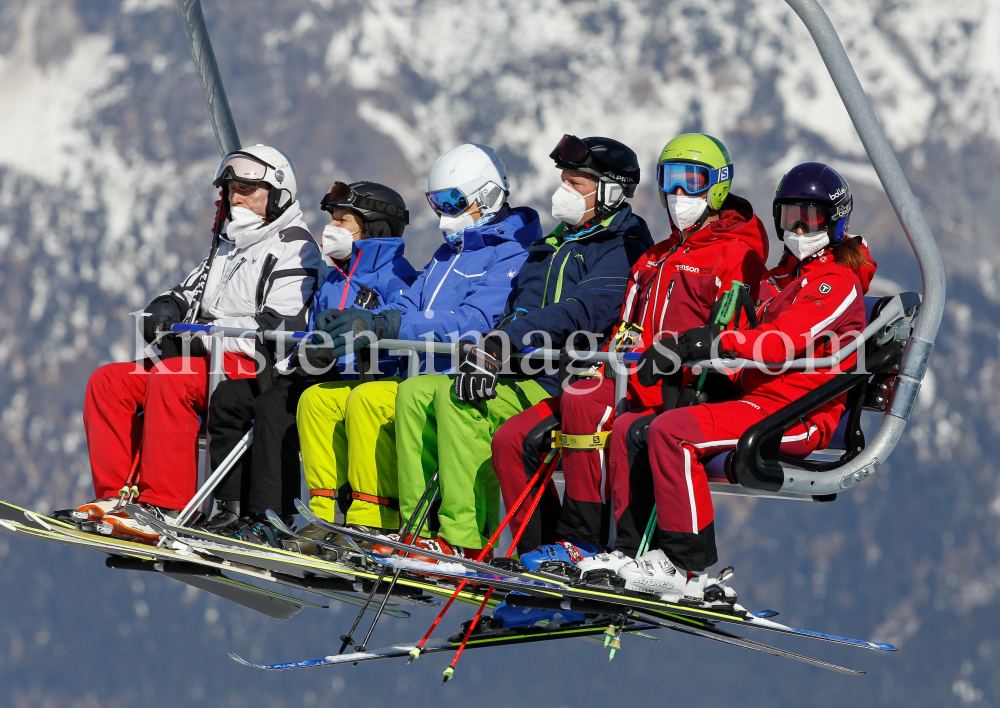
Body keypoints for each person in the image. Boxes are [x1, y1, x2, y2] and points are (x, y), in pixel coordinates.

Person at [584, 162, 877, 604]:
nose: (798, 228)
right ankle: (630, 553)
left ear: (836, 222)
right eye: (788, 217)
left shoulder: (835, 283)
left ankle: (685, 566)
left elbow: (778, 344)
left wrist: (706, 342)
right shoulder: (784, 279)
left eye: (810, 218)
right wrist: (680, 353)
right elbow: (739, 320)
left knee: (673, 432)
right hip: (754, 402)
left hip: (795, 415)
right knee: (633, 427)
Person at [491, 133, 769, 567]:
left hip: (677, 387)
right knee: (511, 437)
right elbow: (627, 326)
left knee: (585, 404)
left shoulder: (735, 255)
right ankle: (536, 555)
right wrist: (602, 359)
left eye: (692, 180)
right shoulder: (656, 257)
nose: (679, 194)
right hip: (630, 376)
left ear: (716, 185)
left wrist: (682, 362)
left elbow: (730, 335)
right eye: (670, 180)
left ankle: (582, 542)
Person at [382, 135, 653, 560]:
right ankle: (419, 529)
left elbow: (584, 312)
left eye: (577, 184)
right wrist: (493, 346)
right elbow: (518, 308)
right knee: (415, 394)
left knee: (460, 403)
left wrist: (502, 343)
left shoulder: (621, 247)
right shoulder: (555, 243)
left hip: (564, 377)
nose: (563, 191)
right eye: (563, 180)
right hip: (522, 369)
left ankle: (466, 540)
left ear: (611, 192)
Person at [67, 145, 322, 544]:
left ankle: (166, 504)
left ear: (277, 193)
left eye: (247, 189)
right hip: (205, 357)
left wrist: (205, 334)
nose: (235, 198)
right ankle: (117, 498)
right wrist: (164, 309)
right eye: (230, 189)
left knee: (171, 377)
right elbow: (189, 291)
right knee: (108, 382)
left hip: (251, 363)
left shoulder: (295, 246)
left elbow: (283, 322)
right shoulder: (229, 243)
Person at [295, 144, 540, 544]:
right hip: (419, 375)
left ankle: (404, 524)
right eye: (436, 201)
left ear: (488, 196)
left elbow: (473, 322)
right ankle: (331, 517)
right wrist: (368, 320)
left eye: (453, 200)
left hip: (461, 375)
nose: (444, 212)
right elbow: (408, 304)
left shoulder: (511, 257)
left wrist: (389, 324)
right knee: (318, 400)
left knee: (371, 400)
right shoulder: (447, 255)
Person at [201, 182, 418, 546]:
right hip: (318, 372)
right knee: (230, 396)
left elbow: (401, 337)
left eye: (343, 220)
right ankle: (233, 507)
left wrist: (344, 347)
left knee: (275, 406)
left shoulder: (398, 278)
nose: (332, 227)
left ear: (375, 228)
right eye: (332, 218)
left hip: (365, 379)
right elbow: (312, 327)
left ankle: (272, 514)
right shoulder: (333, 276)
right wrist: (305, 356)